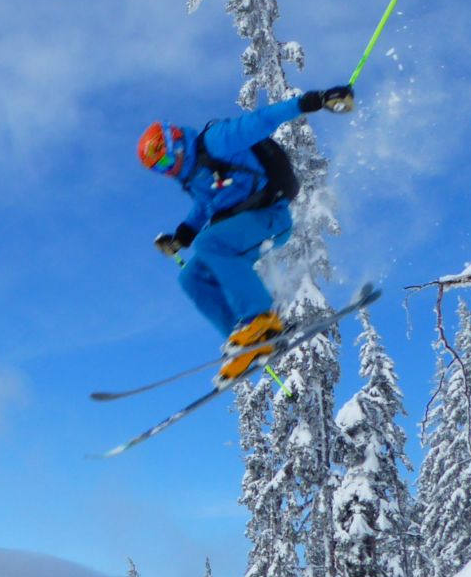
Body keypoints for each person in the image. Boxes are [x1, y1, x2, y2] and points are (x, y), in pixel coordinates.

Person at [137, 83, 354, 382]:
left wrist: (312, 101)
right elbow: (203, 209)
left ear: (172, 140)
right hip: (241, 228)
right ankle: (245, 340)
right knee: (192, 278)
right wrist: (181, 237)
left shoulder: (215, 141)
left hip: (270, 216)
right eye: (157, 168)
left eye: (162, 159)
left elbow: (261, 121)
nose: (166, 169)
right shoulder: (194, 178)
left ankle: (260, 319)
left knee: (210, 243)